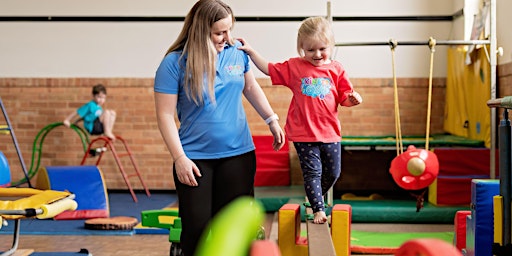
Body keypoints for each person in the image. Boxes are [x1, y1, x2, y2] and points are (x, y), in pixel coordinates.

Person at [153, 1, 285, 255]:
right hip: (195, 161)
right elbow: (165, 116)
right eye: (219, 33)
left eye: (229, 30)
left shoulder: (236, 52)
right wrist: (179, 158)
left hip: (238, 155)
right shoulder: (174, 63)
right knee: (197, 231)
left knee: (237, 229)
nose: (228, 37)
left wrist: (272, 119)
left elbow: (250, 87)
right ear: (200, 30)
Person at [239, 16, 363, 224]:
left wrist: (353, 100)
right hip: (303, 132)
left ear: (331, 46)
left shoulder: (337, 69)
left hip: (330, 132)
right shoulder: (295, 67)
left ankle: (314, 196)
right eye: (310, 50)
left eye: (322, 49)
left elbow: (344, 98)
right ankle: (318, 209)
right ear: (301, 48)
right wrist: (251, 52)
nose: (317, 54)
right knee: (312, 172)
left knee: (333, 172)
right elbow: (269, 69)